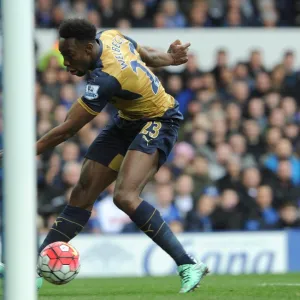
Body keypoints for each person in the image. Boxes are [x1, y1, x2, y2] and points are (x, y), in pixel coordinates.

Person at [0, 18, 208, 293]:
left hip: (160, 119)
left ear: (88, 49)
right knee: (83, 193)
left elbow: (68, 130)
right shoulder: (110, 36)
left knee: (124, 196)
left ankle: (188, 263)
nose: (65, 62)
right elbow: (144, 53)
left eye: (69, 55)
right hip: (127, 120)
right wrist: (169, 58)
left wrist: (20, 154)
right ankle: (32, 270)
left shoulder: (105, 79)